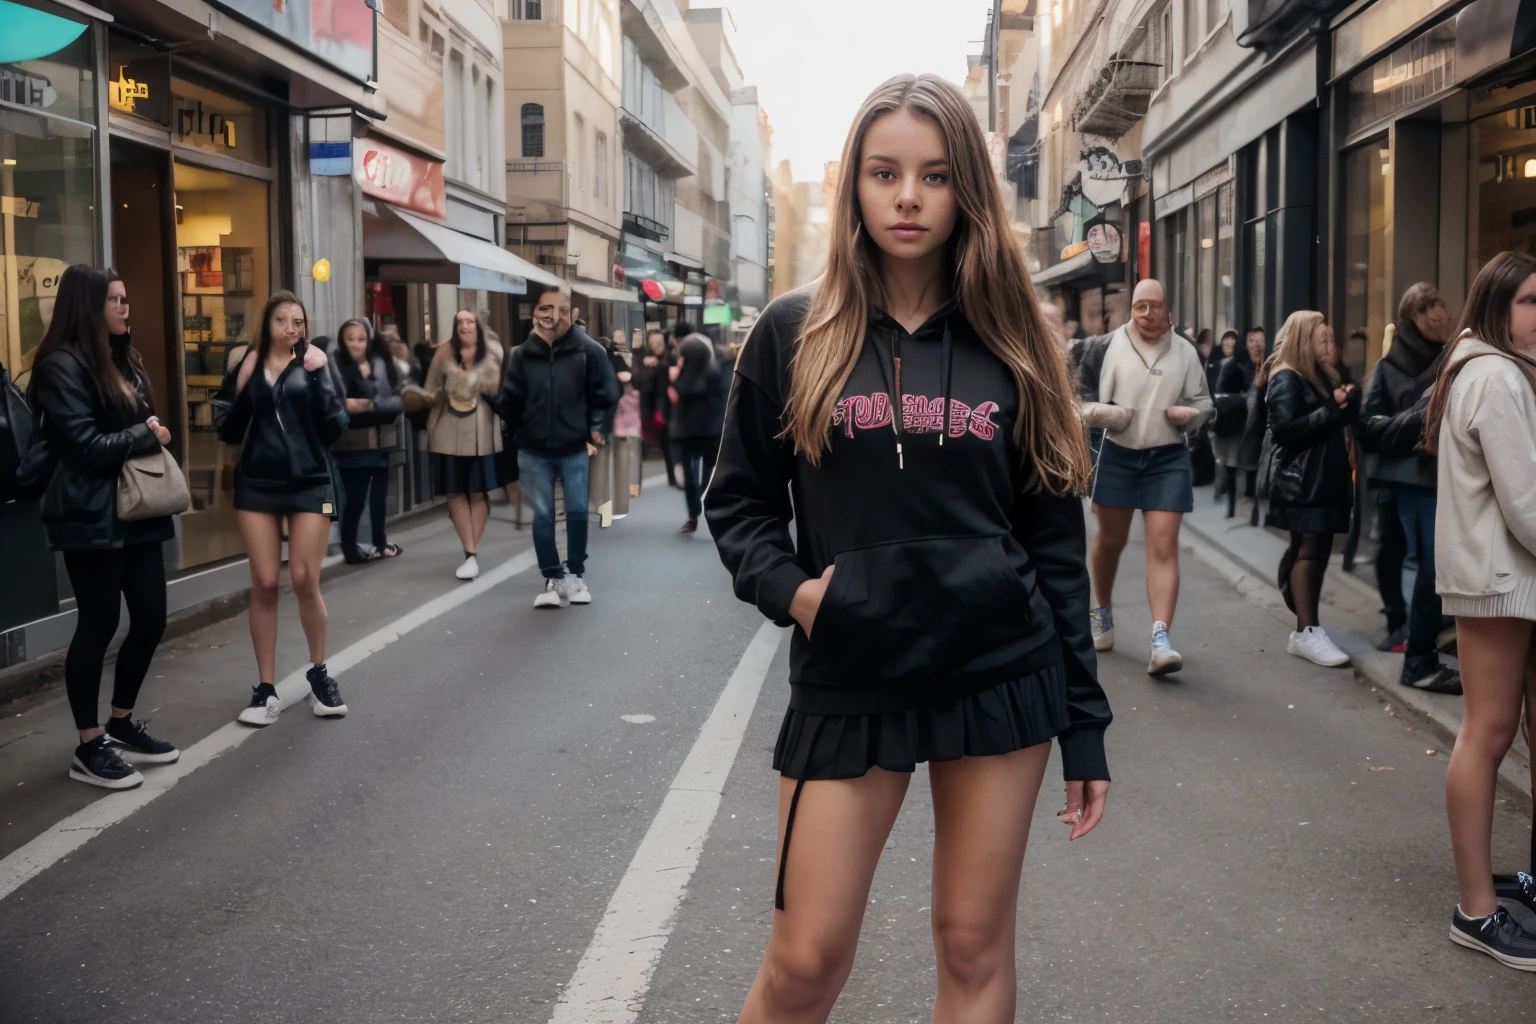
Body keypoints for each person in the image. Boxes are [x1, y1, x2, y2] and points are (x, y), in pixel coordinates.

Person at [705, 73, 1111, 1022]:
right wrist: (804, 599)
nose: (907, 197)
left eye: (932, 176)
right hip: (852, 673)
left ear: (965, 188)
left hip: (998, 674)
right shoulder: (792, 332)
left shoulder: (1018, 340)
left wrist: (1084, 723)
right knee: (804, 960)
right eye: (884, 173)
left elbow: (1057, 544)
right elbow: (741, 509)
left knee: (972, 947)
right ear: (854, 185)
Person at [1424, 249, 1536, 970]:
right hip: (1501, 577)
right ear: (1496, 307)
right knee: (1486, 733)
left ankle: (1500, 892)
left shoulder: (1495, 368)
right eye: (1530, 301)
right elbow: (1526, 503)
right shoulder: (1494, 375)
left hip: (1506, 575)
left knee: (1498, 732)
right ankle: (1476, 911)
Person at [27, 266, 179, 788]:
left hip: (137, 509)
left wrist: (145, 428)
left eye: (125, 297)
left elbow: (144, 424)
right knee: (98, 623)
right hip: (91, 513)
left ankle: (120, 723)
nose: (124, 307)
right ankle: (89, 745)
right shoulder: (59, 366)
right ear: (87, 307)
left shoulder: (123, 359)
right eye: (113, 300)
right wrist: (144, 433)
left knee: (153, 617)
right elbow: (87, 447)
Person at [212, 291, 350, 726]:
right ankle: (265, 689)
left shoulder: (314, 363)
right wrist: (245, 385)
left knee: (305, 578)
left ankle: (320, 673)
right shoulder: (249, 366)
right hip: (257, 482)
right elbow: (226, 426)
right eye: (283, 321)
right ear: (267, 326)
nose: (292, 328)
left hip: (309, 480)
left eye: (298, 321)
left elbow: (336, 423)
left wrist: (319, 378)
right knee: (266, 582)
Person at [1075, 278, 1212, 674]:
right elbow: (1077, 401)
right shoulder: (1106, 346)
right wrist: (1104, 414)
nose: (1148, 314)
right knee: (1111, 540)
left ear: (1169, 310)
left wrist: (1192, 415)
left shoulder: (1185, 352)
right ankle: (1101, 612)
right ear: (1130, 310)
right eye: (1140, 307)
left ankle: (1160, 639)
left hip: (1167, 457)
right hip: (1117, 454)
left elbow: (1204, 403)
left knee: (1164, 545)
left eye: (1155, 306)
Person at [1359, 283, 1459, 692]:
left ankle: (1421, 643)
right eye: (1433, 307)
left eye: (1443, 305)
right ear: (1414, 316)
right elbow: (1369, 428)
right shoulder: (1387, 367)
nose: (1443, 314)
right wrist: (1417, 423)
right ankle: (1418, 657)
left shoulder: (1451, 358)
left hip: (1442, 475)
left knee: (1433, 564)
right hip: (1411, 478)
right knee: (1428, 564)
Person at [497, 283, 619, 608]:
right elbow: (509, 399)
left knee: (577, 511)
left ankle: (576, 574)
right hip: (533, 448)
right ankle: (552, 578)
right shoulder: (522, 355)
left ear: (572, 313)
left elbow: (605, 395)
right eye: (546, 309)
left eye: (561, 309)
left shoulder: (589, 350)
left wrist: (595, 428)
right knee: (543, 515)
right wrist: (515, 429)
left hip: (573, 445)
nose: (553, 316)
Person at [1261, 310, 1357, 668]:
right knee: (1310, 551)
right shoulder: (1287, 377)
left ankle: (1308, 626)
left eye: (1331, 339)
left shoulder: (1314, 376)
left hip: (1320, 480)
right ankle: (1306, 631)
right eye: (1323, 339)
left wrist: (1344, 405)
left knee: (1313, 551)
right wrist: (1334, 408)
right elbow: (1286, 431)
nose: (1330, 345)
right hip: (1303, 481)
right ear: (1304, 340)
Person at [424, 310, 504, 580]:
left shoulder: (490, 351)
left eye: (470, 322)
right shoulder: (444, 352)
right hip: (448, 429)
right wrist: (440, 394)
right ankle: (470, 552)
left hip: (481, 430)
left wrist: (473, 370)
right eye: (460, 322)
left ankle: (472, 553)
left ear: (478, 327)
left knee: (478, 493)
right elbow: (430, 388)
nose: (465, 326)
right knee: (454, 492)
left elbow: (495, 387)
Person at [332, 318, 404, 564]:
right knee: (355, 498)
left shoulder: (379, 362)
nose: (356, 344)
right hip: (353, 444)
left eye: (361, 339)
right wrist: (372, 403)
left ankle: (380, 543)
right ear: (342, 340)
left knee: (379, 495)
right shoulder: (339, 364)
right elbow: (343, 404)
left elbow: (394, 400)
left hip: (382, 439)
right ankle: (350, 547)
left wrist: (370, 404)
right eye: (350, 339)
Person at [670, 329, 722, 535]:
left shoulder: (687, 374)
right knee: (707, 471)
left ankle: (694, 511)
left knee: (693, 473)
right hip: (708, 430)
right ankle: (701, 503)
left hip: (692, 430)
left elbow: (681, 394)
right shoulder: (713, 370)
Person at [1213, 328, 1265, 518]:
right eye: (1252, 341)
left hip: (1257, 426)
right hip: (1235, 425)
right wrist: (1251, 392)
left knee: (1254, 465)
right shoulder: (1233, 365)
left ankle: (1252, 508)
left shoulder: (1267, 366)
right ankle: (1230, 505)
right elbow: (1220, 395)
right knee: (1232, 466)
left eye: (1260, 341)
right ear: (1246, 344)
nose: (1257, 345)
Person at [635, 329, 680, 488]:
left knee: (670, 443)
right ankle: (636, 481)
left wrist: (659, 365)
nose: (656, 345)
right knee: (653, 442)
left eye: (658, 342)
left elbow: (676, 378)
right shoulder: (643, 359)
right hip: (650, 408)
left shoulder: (670, 357)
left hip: (669, 407)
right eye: (653, 342)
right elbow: (639, 382)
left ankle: (673, 476)